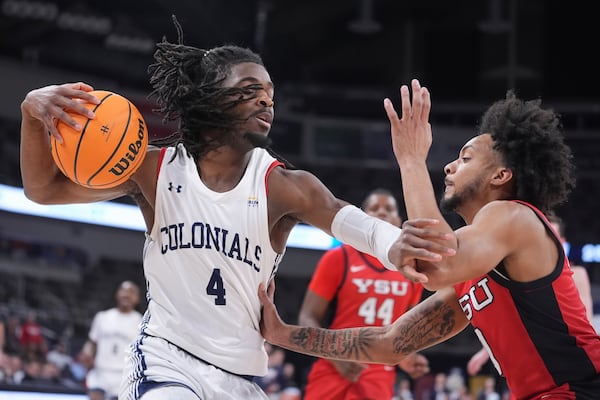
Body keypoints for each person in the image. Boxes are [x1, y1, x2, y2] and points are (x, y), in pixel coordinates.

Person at [19, 18, 448, 400]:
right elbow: (44, 191)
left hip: (241, 377)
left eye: (270, 95)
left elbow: (355, 223)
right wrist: (32, 114)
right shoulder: (152, 170)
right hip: (165, 363)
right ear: (210, 100)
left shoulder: (284, 186)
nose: (266, 102)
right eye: (249, 91)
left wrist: (397, 246)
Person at [258, 79, 600, 399]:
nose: (449, 167)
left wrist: (410, 159)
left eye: (465, 159)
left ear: (501, 174)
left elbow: (437, 264)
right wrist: (282, 334)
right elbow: (391, 344)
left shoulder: (514, 215)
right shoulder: (472, 273)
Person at [298, 188, 428, 400]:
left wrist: (408, 356)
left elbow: (405, 330)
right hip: (333, 365)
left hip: (379, 372)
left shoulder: (411, 269)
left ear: (398, 220)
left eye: (389, 209)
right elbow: (307, 316)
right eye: (374, 208)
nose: (382, 212)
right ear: (362, 218)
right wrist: (336, 356)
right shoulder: (338, 258)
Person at [466, 212, 595, 380]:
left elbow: (587, 321)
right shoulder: (522, 277)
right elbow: (514, 323)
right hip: (532, 363)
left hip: (568, 360)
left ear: (561, 242)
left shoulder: (576, 274)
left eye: (552, 237)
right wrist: (484, 353)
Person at [78, 281, 142, 400]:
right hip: (100, 371)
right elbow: (92, 342)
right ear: (117, 294)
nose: (126, 295)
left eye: (131, 292)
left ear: (137, 299)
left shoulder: (141, 322)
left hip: (123, 375)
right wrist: (86, 354)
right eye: (123, 291)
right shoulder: (102, 317)